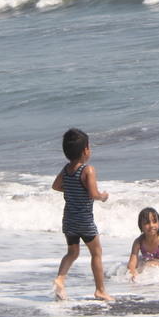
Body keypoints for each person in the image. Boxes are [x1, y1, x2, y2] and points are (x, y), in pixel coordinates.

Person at [51, 128, 112, 301]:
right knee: (97, 253)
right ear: (85, 150)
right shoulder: (88, 170)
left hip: (69, 219)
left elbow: (55, 186)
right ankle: (100, 290)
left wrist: (71, 188)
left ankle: (60, 279)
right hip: (84, 220)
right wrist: (103, 196)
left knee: (72, 252)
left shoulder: (66, 169)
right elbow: (93, 194)